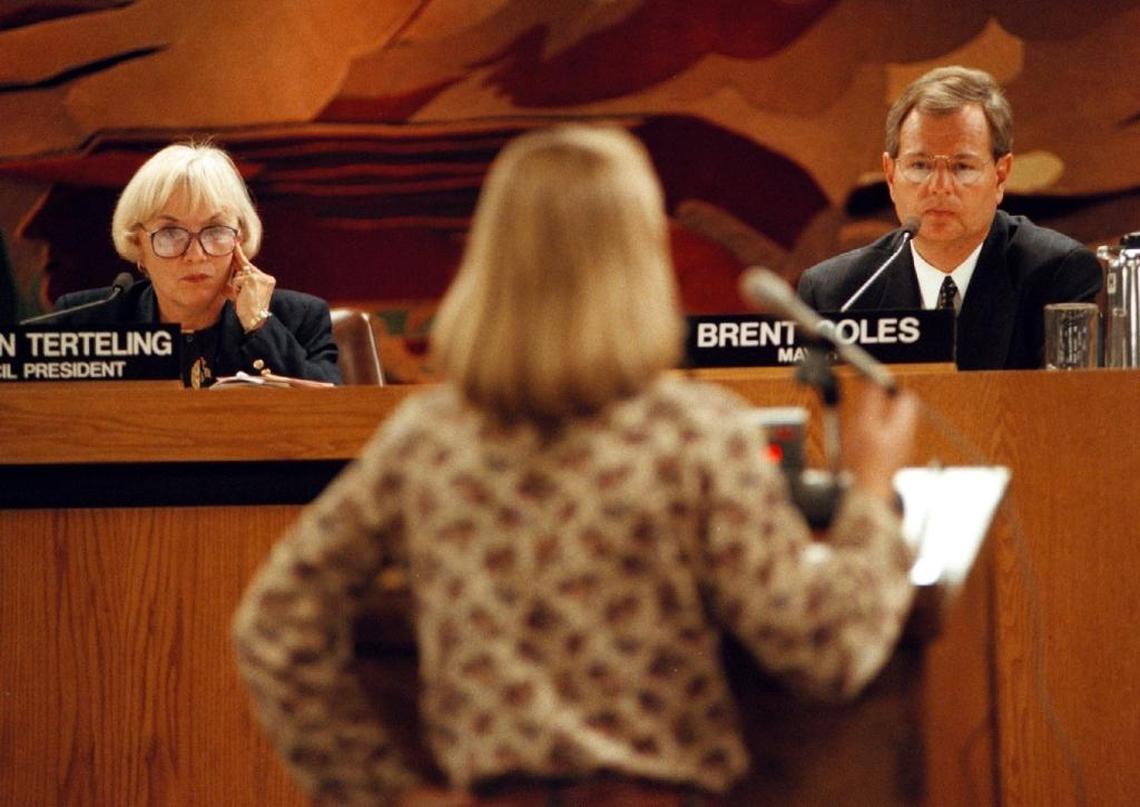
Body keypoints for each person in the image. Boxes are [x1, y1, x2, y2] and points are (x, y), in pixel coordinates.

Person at [232, 125, 919, 806]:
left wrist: (388, 793)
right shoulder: (693, 434)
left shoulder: (428, 440)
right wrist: (869, 488)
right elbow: (825, 649)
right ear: (638, 259)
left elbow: (274, 624)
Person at [796, 65, 1102, 370]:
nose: (940, 187)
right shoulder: (836, 294)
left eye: (962, 167)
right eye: (919, 166)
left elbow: (1068, 409)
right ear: (890, 176)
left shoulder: (1057, 276)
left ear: (1000, 176)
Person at [51, 142, 341, 387]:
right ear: (137, 243)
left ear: (240, 237)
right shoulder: (84, 322)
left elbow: (334, 419)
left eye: (214, 231)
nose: (195, 255)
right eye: (170, 233)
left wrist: (259, 326)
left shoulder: (299, 318)